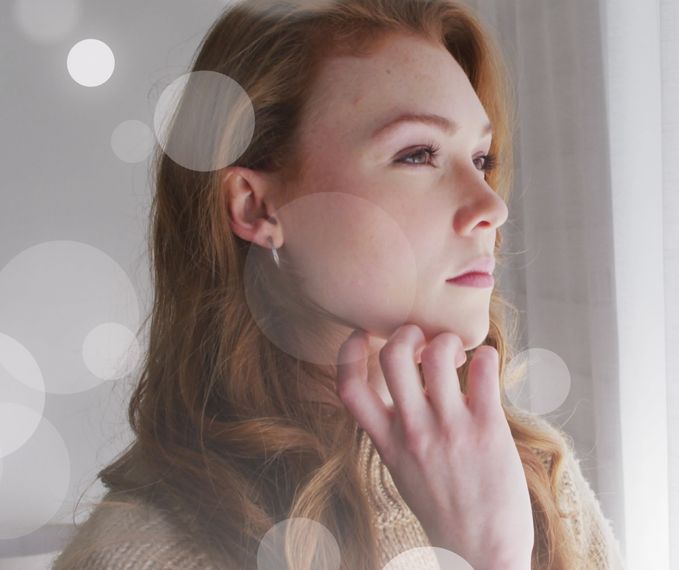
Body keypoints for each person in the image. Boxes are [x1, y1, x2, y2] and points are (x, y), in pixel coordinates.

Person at [50, 0, 624, 568]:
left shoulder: (533, 472)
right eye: (418, 153)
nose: (491, 207)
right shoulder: (145, 555)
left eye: (480, 158)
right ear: (256, 206)